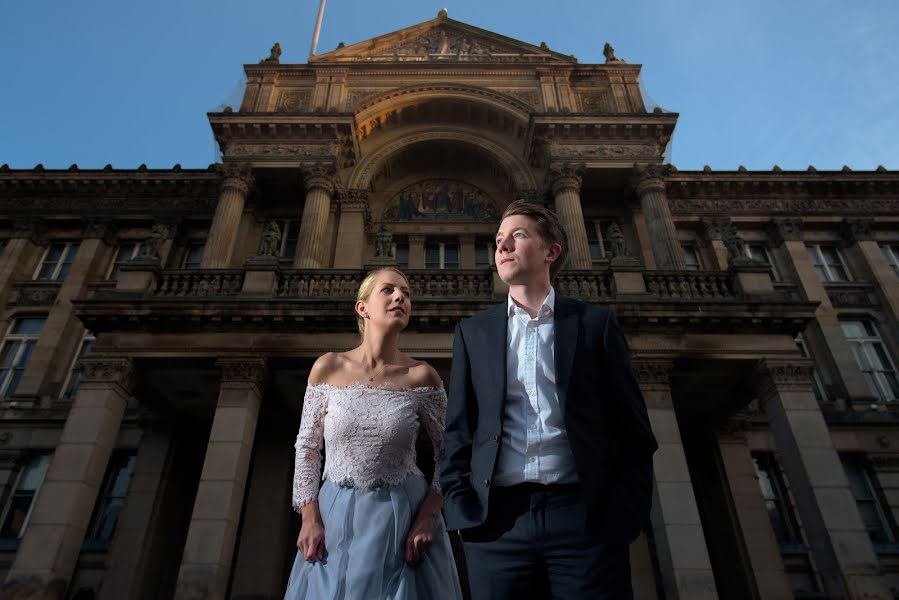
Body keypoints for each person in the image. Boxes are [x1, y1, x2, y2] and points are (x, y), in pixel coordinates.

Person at [441, 200, 658, 599]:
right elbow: (458, 431)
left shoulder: (595, 324)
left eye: (517, 236)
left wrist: (623, 515)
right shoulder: (473, 332)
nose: (502, 247)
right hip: (496, 524)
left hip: (583, 520)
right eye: (498, 240)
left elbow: (634, 432)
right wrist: (462, 512)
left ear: (551, 251)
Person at [285, 268, 463, 600]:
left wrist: (427, 518)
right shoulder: (328, 366)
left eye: (407, 294)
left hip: (403, 515)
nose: (401, 298)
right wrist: (309, 517)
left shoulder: (423, 376)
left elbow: (449, 454)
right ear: (362, 307)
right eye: (389, 290)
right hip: (335, 513)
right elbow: (307, 448)